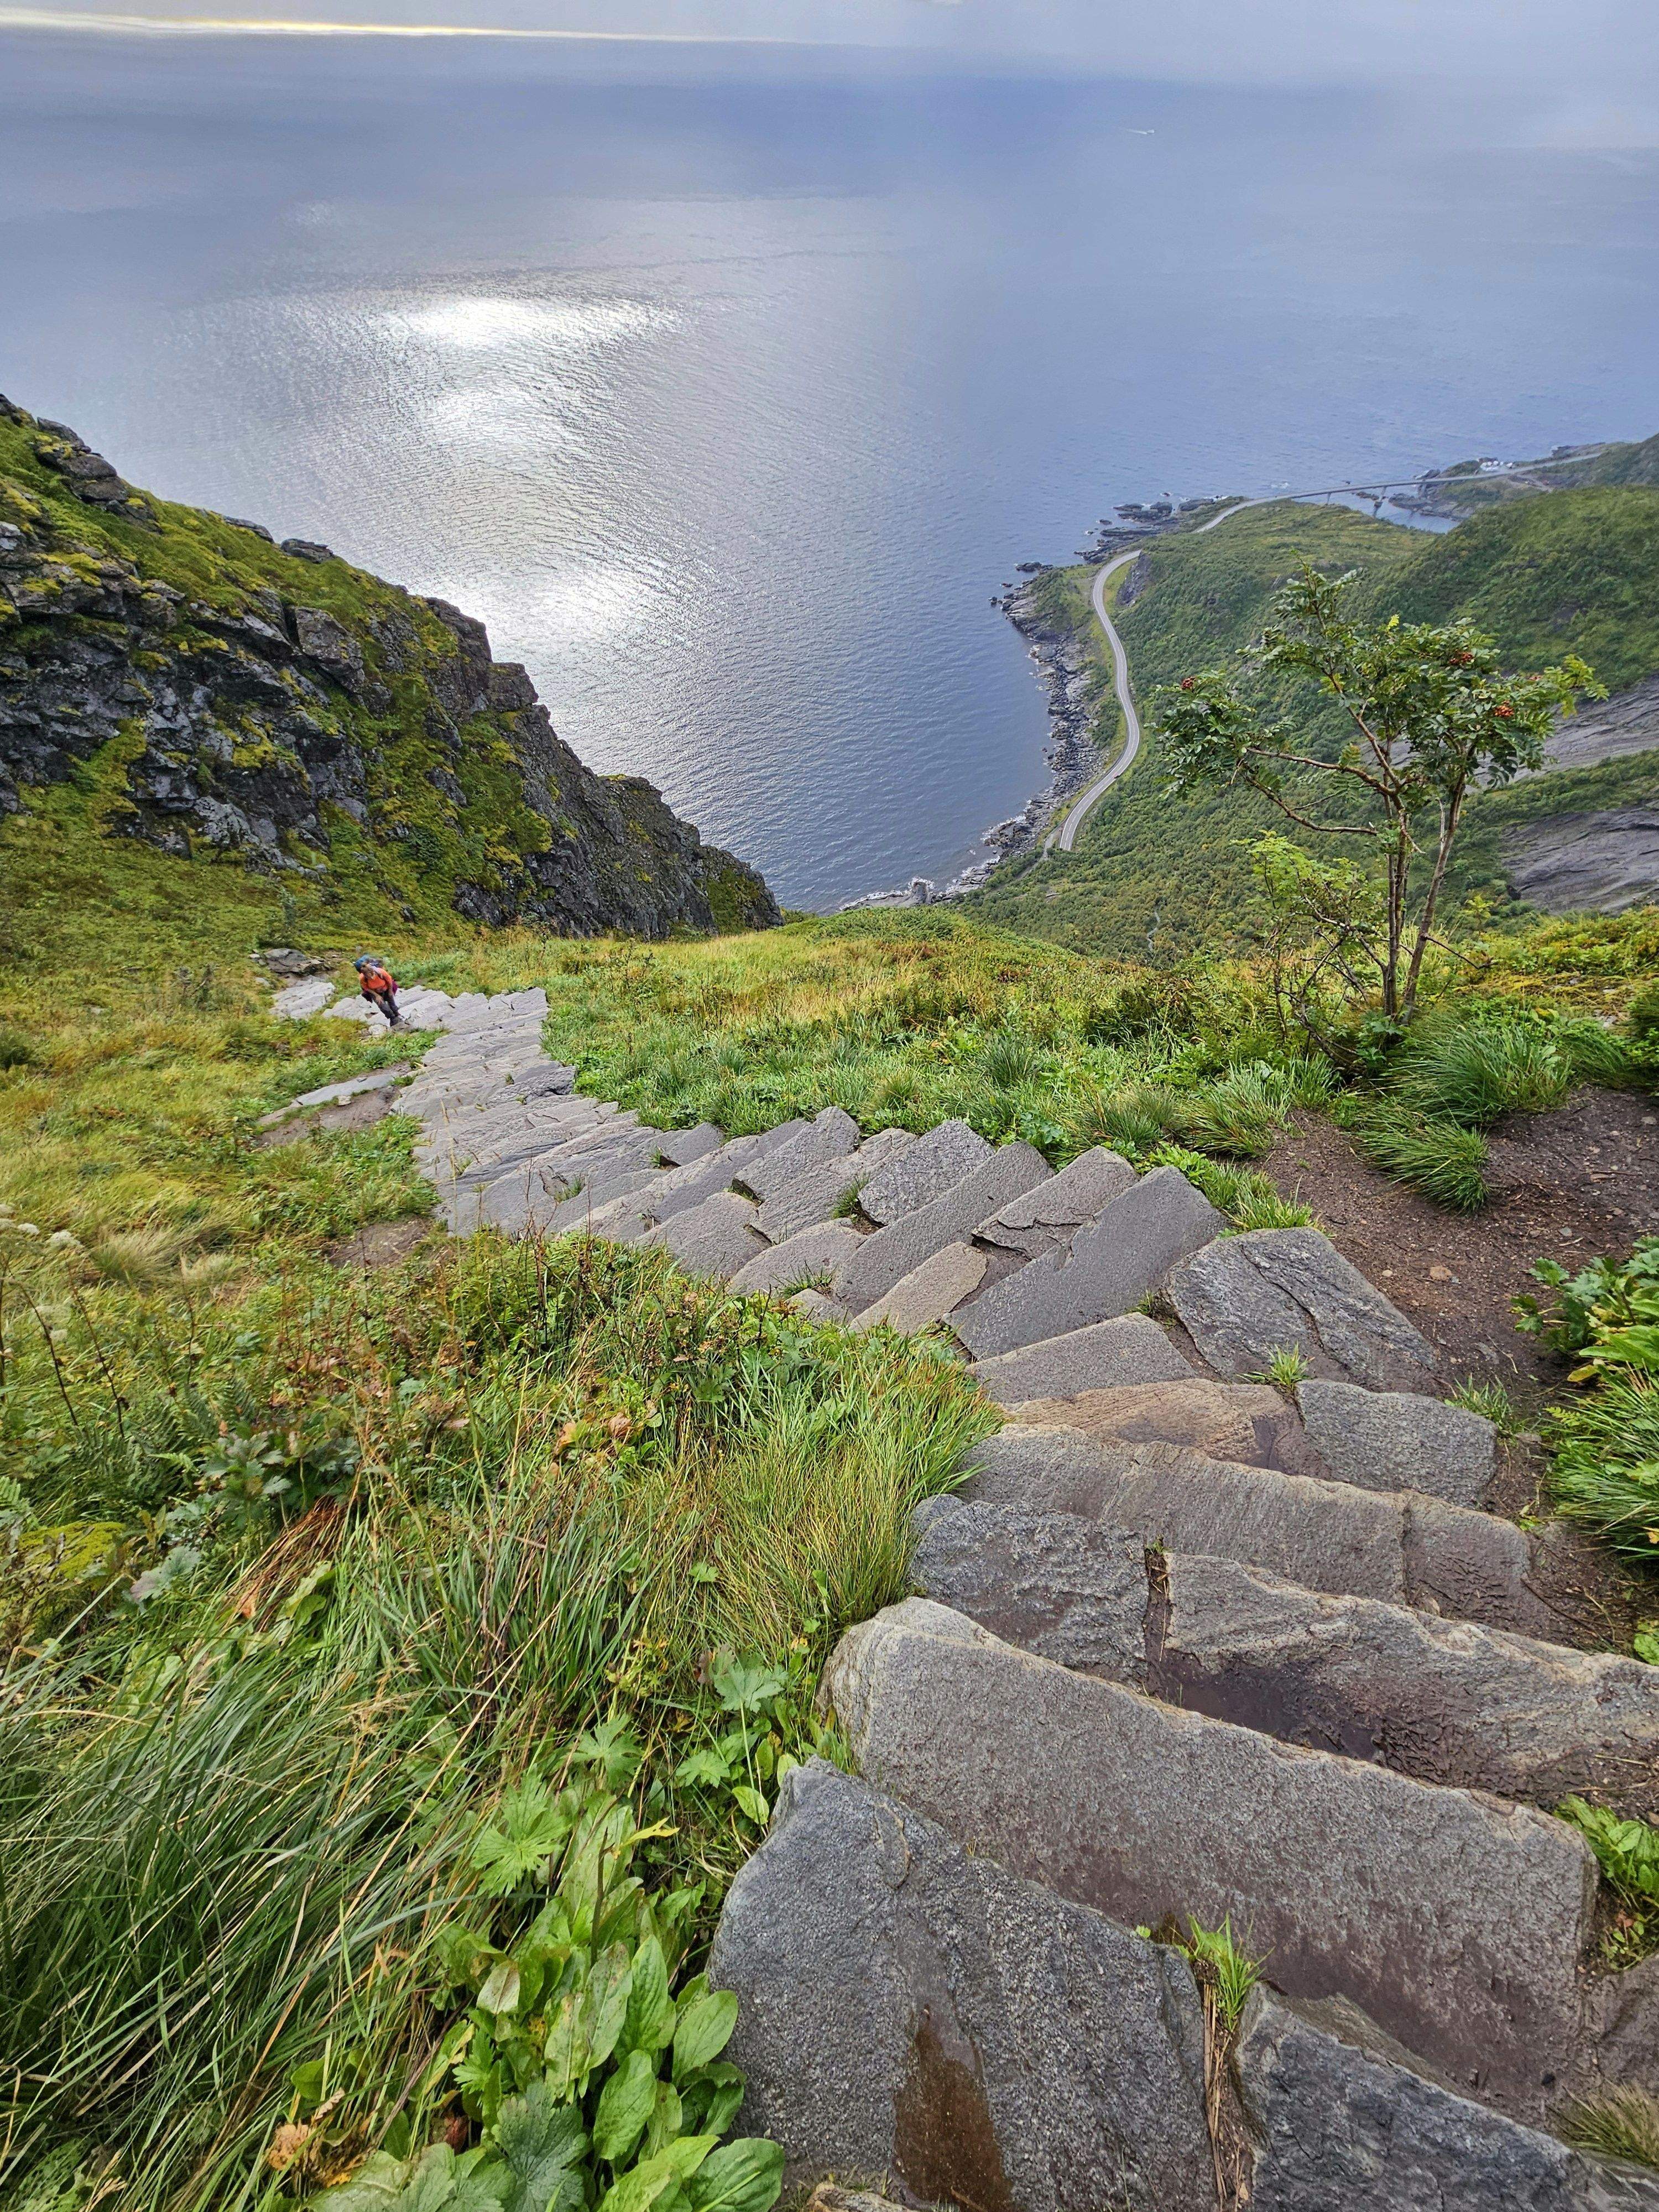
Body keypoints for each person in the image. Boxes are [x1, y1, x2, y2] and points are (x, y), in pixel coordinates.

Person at [353, 954, 401, 1027]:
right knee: (384, 1008)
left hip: (386, 989)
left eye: (367, 965)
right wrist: (376, 995)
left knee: (392, 1005)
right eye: (364, 967)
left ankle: (397, 1015)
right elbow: (366, 988)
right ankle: (393, 1019)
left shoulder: (380, 972)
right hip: (375, 992)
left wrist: (390, 991)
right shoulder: (363, 978)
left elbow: (389, 980)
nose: (368, 967)